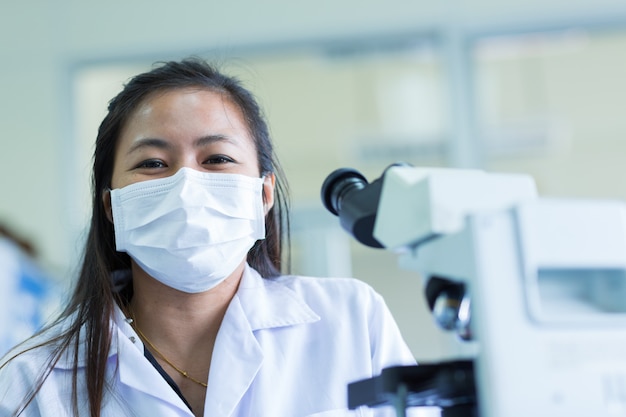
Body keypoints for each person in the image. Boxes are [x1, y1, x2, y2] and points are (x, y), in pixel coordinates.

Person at [0, 58, 436, 417]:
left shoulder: (351, 320)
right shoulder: (33, 380)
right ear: (112, 205)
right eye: (153, 163)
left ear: (263, 195)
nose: (187, 184)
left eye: (217, 158)